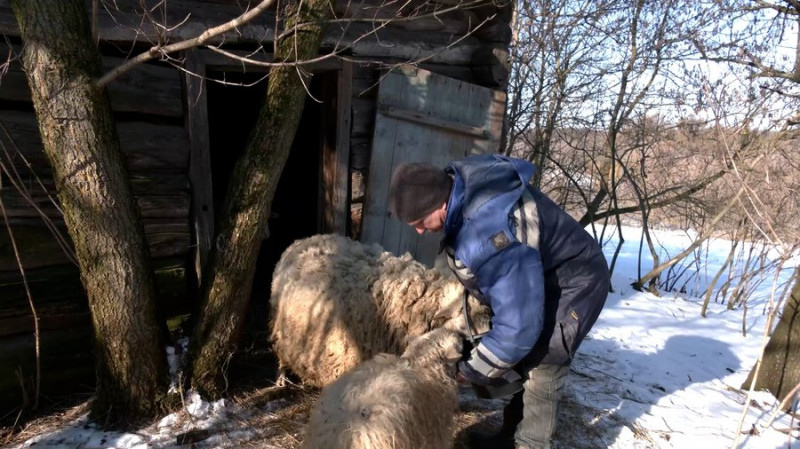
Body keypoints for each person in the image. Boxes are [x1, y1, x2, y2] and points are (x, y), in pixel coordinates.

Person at [387, 154, 610, 449]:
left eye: (418, 222)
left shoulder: (490, 233)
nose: (417, 230)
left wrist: (474, 370)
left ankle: (530, 444)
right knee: (524, 359)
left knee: (544, 364)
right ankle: (509, 437)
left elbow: (519, 327)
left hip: (575, 282)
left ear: (439, 204)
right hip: (540, 275)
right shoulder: (462, 187)